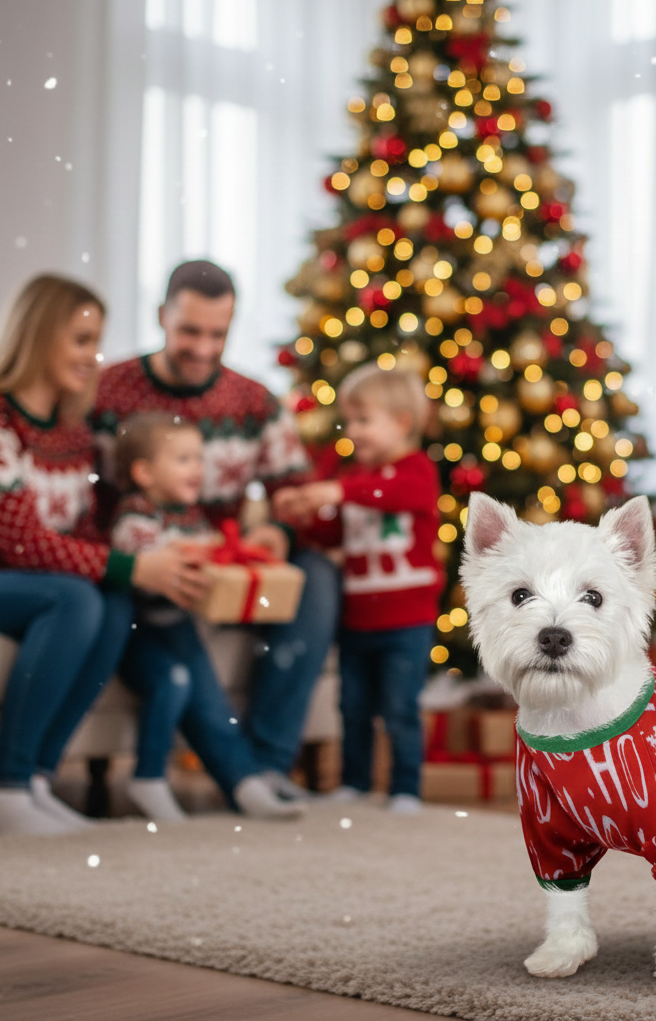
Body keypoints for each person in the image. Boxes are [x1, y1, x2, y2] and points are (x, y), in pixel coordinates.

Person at [0, 274, 201, 836]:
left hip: (0, 580)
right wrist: (134, 565)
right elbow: (25, 543)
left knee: (108, 598)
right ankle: (6, 792)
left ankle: (35, 781)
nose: (93, 357)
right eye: (81, 340)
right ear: (38, 335)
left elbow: (79, 535)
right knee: (77, 598)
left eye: (96, 341)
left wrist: (149, 557)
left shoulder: (71, 434)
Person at [92, 260, 339, 799]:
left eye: (217, 334)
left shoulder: (254, 401)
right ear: (161, 317)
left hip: (225, 557)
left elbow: (294, 495)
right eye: (189, 332)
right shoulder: (109, 391)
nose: (203, 349)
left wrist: (277, 533)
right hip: (143, 561)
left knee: (315, 577)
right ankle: (241, 773)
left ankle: (270, 762)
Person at [109, 412, 302, 820]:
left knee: (197, 685)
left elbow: (208, 550)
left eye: (198, 458)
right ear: (143, 472)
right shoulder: (136, 517)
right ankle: (226, 780)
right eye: (182, 459)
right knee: (187, 678)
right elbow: (146, 560)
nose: (197, 468)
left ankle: (243, 781)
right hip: (139, 633)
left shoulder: (190, 516)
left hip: (177, 628)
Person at [273, 364, 442, 814]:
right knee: (353, 706)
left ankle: (406, 788)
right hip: (358, 619)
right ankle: (355, 780)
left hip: (407, 620)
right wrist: (307, 513)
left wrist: (335, 491)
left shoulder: (415, 472)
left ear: (402, 423)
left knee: (399, 708)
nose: (354, 432)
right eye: (351, 420)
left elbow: (392, 496)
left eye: (364, 420)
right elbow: (335, 535)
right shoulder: (354, 482)